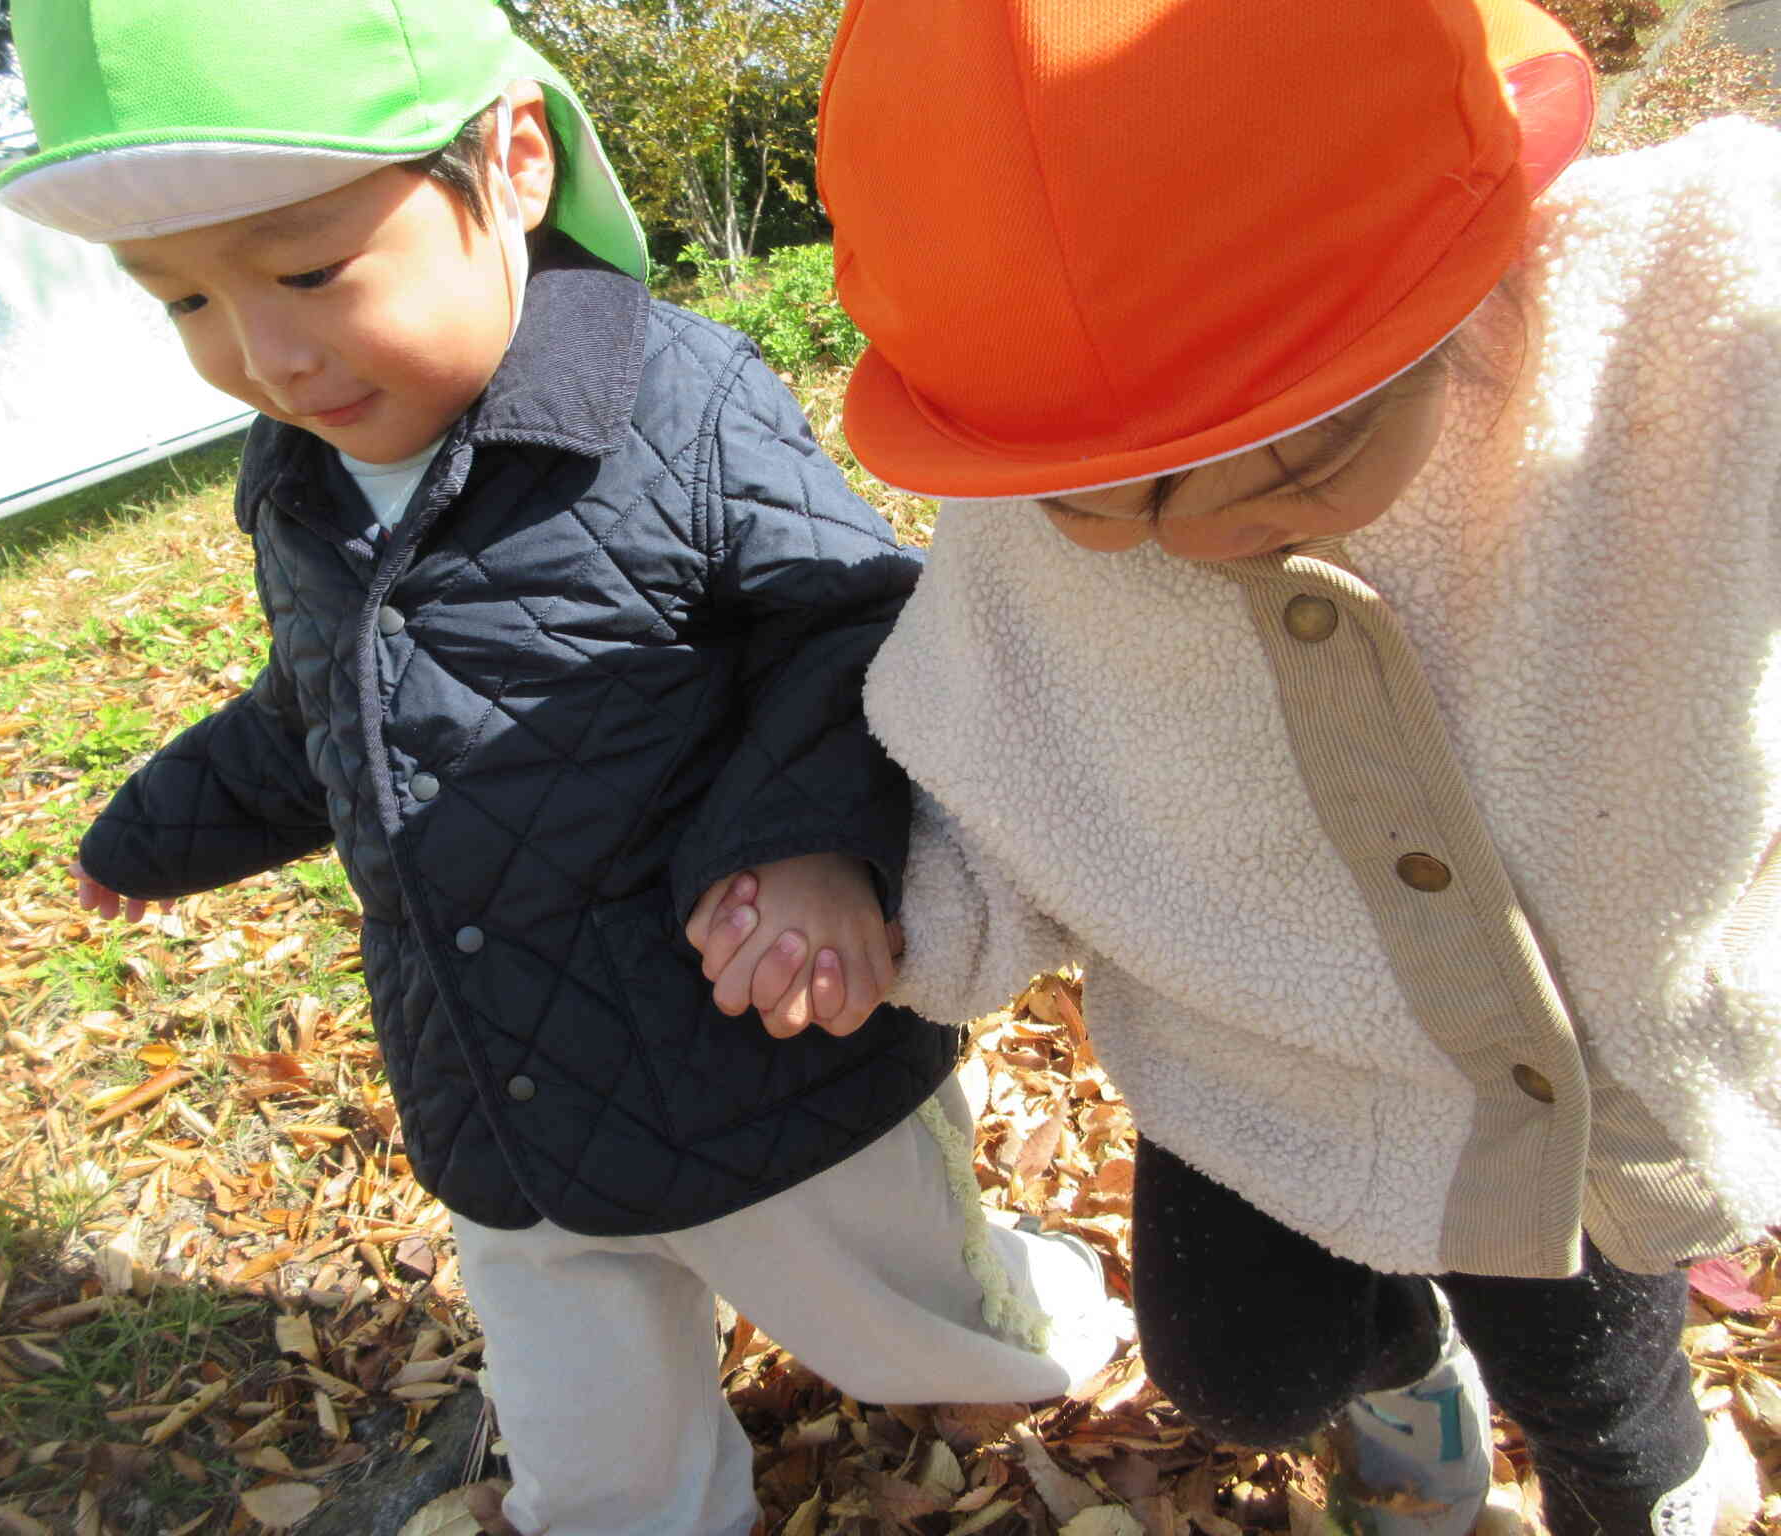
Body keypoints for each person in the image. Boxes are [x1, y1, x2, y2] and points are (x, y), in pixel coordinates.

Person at [0, 2, 1126, 1532]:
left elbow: (846, 627)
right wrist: (155, 827)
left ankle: (1041, 1315)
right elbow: (319, 711)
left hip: (756, 1068)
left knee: (943, 1345)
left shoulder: (676, 405)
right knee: (594, 1452)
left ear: (513, 163)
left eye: (312, 271)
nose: (264, 353)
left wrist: (810, 847)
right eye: (182, 300)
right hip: (496, 1093)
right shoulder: (301, 476)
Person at [698, 1, 1780, 1531]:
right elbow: (990, 771)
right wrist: (885, 912)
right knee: (1239, 1372)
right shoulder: (1031, 511)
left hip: (1582, 1085)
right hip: (1250, 1067)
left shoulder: (1689, 324)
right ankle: (1401, 1362)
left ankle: (1649, 1482)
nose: (1201, 531)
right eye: (1109, 507)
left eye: (1298, 458)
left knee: (1592, 1372)